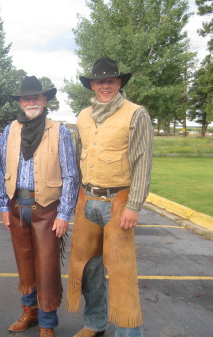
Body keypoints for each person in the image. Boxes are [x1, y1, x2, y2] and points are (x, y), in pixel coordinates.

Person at [66, 58, 153, 337]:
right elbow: (79, 159)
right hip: (87, 201)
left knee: (122, 274)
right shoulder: (82, 116)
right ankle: (95, 323)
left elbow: (143, 163)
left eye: (110, 81)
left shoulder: (136, 114)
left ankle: (130, 333)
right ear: (92, 85)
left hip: (118, 203)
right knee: (89, 269)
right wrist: (76, 201)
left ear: (119, 83)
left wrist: (134, 205)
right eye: (100, 81)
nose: (105, 85)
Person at [0, 76, 79, 337]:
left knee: (46, 266)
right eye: (26, 98)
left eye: (35, 97)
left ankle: (47, 322)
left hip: (47, 208)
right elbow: (2, 171)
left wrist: (64, 214)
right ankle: (29, 313)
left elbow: (71, 175)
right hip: (17, 204)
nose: (31, 102)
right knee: (25, 263)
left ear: (44, 101)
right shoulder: (11, 130)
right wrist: (3, 206)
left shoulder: (60, 131)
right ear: (20, 102)